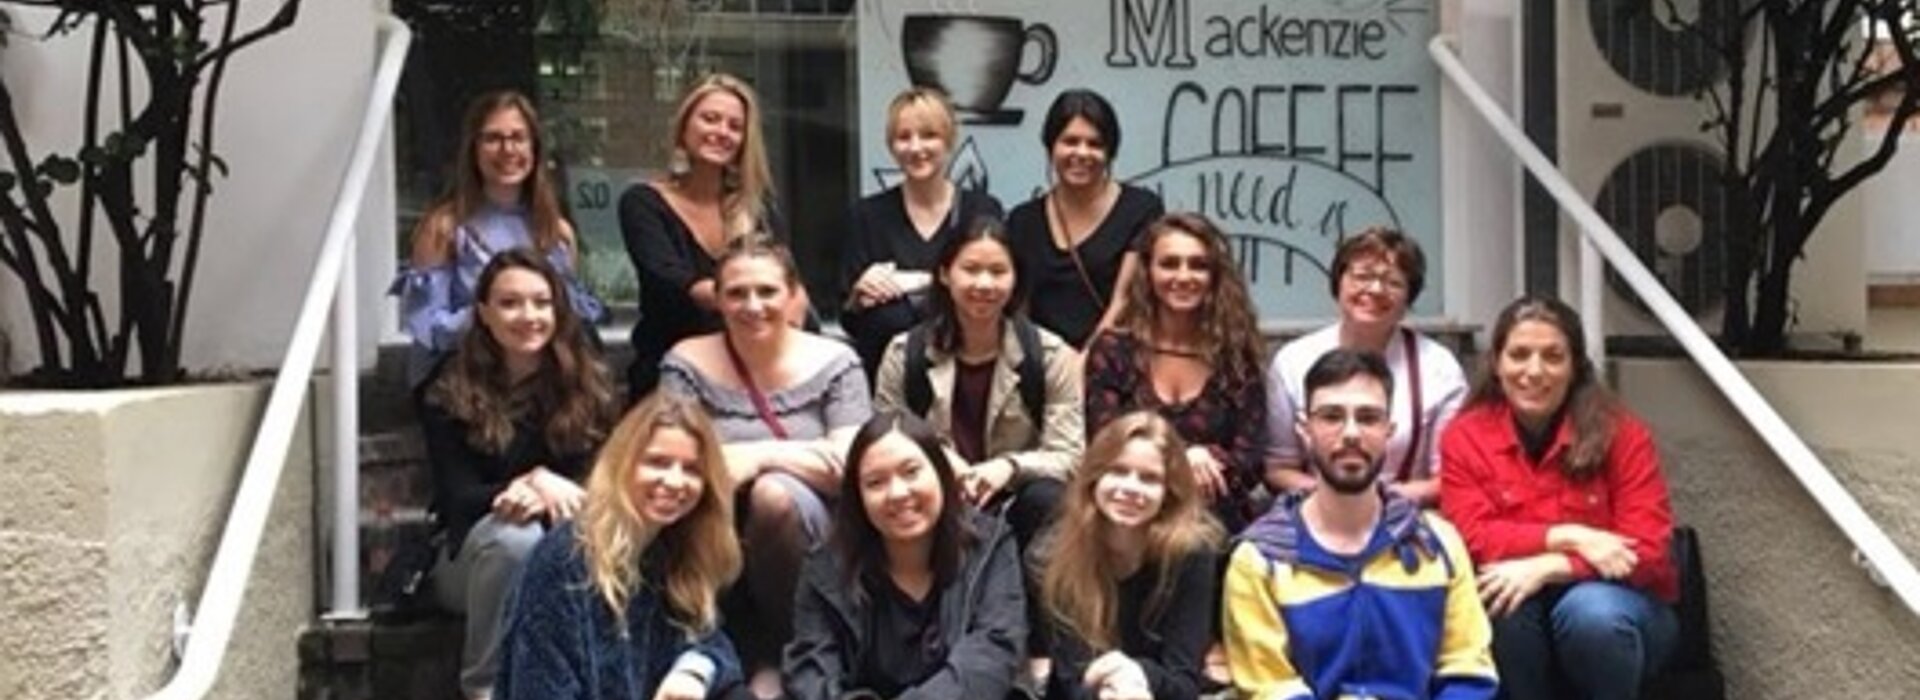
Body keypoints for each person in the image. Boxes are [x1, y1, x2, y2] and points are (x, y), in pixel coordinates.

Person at [656, 235, 870, 693]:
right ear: (717, 299)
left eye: (767, 291)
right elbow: (677, 458)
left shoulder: (836, 361)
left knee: (774, 495)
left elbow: (850, 468)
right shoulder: (686, 363)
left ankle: (787, 652)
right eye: (737, 293)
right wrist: (807, 454)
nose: (752, 306)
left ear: (792, 294)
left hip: (814, 529)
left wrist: (758, 456)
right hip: (713, 522)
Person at [1224, 348, 1498, 700]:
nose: (1351, 433)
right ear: (1305, 430)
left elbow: (1469, 670)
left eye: (1368, 418)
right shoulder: (1259, 561)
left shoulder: (1436, 545)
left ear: (1389, 430)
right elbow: (1269, 688)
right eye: (1331, 416)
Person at [1440, 296, 1679, 700]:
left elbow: (1649, 550)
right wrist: (1569, 536)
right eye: (1519, 355)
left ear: (1575, 367)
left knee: (1590, 613)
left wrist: (1552, 566)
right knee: (1500, 601)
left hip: (1625, 609)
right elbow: (1470, 536)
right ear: (1496, 364)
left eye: (1553, 357)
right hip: (1519, 605)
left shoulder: (1623, 434)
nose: (1534, 371)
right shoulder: (1465, 436)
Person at [419, 249, 618, 700]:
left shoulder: (589, 382)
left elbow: (608, 485)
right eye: (509, 303)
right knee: (515, 539)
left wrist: (549, 491)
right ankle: (486, 689)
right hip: (474, 559)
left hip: (568, 540)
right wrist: (530, 484)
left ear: (558, 311)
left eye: (541, 302)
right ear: (483, 313)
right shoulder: (447, 389)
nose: (528, 316)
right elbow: (458, 499)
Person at [495, 392, 745, 700]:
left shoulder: (671, 553)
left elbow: (710, 640)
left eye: (692, 469)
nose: (674, 481)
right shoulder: (563, 562)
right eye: (657, 462)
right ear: (623, 464)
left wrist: (691, 672)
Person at [784, 412, 1030, 700]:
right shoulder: (825, 567)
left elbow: (994, 653)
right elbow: (810, 673)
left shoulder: (990, 545)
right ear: (857, 497)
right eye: (876, 482)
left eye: (911, 472)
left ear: (941, 474)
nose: (898, 493)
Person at [872, 218, 1082, 550]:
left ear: (1015, 279)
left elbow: (1069, 456)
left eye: (998, 271)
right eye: (970, 269)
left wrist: (1009, 468)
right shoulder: (904, 354)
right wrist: (939, 460)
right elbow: (884, 442)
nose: (984, 284)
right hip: (934, 496)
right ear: (945, 274)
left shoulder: (1050, 355)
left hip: (1015, 502)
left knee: (1049, 497)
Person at [395, 90, 603, 391]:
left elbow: (569, 321)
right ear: (473, 149)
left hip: (544, 381)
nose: (508, 149)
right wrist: (500, 321)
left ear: (534, 148)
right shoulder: (444, 228)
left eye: (518, 137)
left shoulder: (557, 232)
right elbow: (428, 330)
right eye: (493, 138)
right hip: (466, 381)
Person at [623, 72, 808, 399]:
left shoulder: (758, 207)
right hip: (672, 374)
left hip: (756, 373)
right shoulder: (642, 203)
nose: (722, 132)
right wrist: (755, 299)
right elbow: (671, 280)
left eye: (735, 126)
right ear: (684, 127)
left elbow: (788, 283)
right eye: (710, 119)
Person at [1083, 213, 1267, 530]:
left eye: (1198, 265)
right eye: (1169, 264)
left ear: (1215, 276)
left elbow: (1251, 461)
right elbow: (1104, 444)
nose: (1183, 276)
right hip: (1128, 512)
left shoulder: (1236, 355)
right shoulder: (1113, 351)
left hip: (1212, 517)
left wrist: (1206, 461)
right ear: (1148, 272)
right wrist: (1182, 459)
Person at [1265, 227, 1466, 505]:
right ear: (1338, 283)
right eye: (1362, 276)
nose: (1375, 289)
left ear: (1409, 297)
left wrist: (1377, 501)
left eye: (1393, 282)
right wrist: (1338, 499)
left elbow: (1449, 478)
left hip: (1406, 512)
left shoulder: (1439, 368)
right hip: (1314, 511)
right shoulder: (1293, 361)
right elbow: (1278, 469)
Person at [1040, 411, 1224, 700]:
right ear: (1094, 477)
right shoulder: (1058, 550)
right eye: (1118, 471)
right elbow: (1071, 679)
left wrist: (1136, 675)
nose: (1130, 488)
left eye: (1149, 479)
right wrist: (1113, 687)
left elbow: (1184, 682)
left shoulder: (1192, 553)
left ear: (1168, 492)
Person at [841, 87, 1006, 380]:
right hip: (885, 382)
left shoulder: (981, 210)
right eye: (904, 137)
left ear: (949, 140)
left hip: (968, 377)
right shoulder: (866, 216)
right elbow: (850, 318)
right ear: (891, 145)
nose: (916, 148)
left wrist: (912, 281)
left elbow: (996, 294)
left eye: (929, 135)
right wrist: (857, 295)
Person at [1006, 88, 1165, 349]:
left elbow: (1124, 301)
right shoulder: (1022, 221)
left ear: (1110, 152)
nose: (1081, 153)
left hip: (1113, 360)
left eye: (1095, 144)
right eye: (1070, 141)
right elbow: (1018, 309)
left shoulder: (1141, 209)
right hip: (1042, 361)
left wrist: (1086, 361)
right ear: (1051, 146)